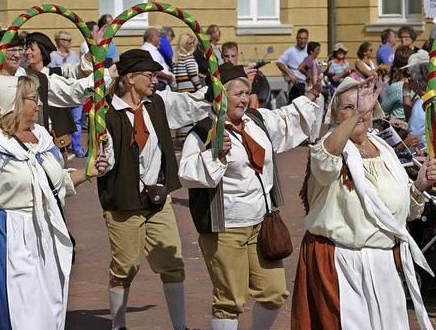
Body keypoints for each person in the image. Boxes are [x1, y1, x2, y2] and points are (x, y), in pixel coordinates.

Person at [0, 73, 106, 329]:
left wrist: (87, 173)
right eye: (33, 98)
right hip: (7, 233)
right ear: (13, 103)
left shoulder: (41, 136)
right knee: (16, 310)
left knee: (47, 309)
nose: (39, 104)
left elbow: (53, 183)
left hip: (45, 233)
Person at [179, 62, 321, 330]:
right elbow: (186, 173)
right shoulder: (203, 131)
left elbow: (286, 119)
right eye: (238, 93)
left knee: (274, 292)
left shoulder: (256, 121)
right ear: (221, 95)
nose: (244, 99)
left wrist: (311, 94)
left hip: (261, 224)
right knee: (230, 300)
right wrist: (216, 155)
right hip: (225, 228)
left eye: (247, 92)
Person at [291, 75, 436, 330]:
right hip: (342, 263)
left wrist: (418, 186)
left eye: (363, 109)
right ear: (336, 116)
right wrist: (357, 112)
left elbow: (403, 214)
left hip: (384, 263)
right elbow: (326, 161)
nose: (358, 115)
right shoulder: (328, 148)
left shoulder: (385, 150)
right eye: (348, 108)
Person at [97, 49, 212, 330]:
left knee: (173, 264)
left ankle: (180, 327)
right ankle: (119, 325)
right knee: (124, 268)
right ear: (130, 77)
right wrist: (102, 161)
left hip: (158, 199)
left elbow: (190, 104)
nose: (154, 80)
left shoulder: (156, 104)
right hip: (123, 202)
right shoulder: (107, 114)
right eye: (149, 75)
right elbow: (107, 152)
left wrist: (218, 88)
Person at [49, 30, 85, 157]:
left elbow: (79, 70)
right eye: (68, 40)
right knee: (60, 121)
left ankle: (77, 147)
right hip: (60, 93)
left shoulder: (74, 55)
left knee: (77, 120)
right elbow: (52, 73)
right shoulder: (52, 55)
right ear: (60, 41)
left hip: (74, 91)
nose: (70, 43)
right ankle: (61, 145)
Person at [277, 28, 309, 103]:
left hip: (308, 83)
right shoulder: (291, 51)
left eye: (304, 38)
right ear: (296, 38)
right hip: (296, 84)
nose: (302, 41)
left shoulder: (309, 50)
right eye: (300, 38)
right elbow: (279, 63)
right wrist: (290, 74)